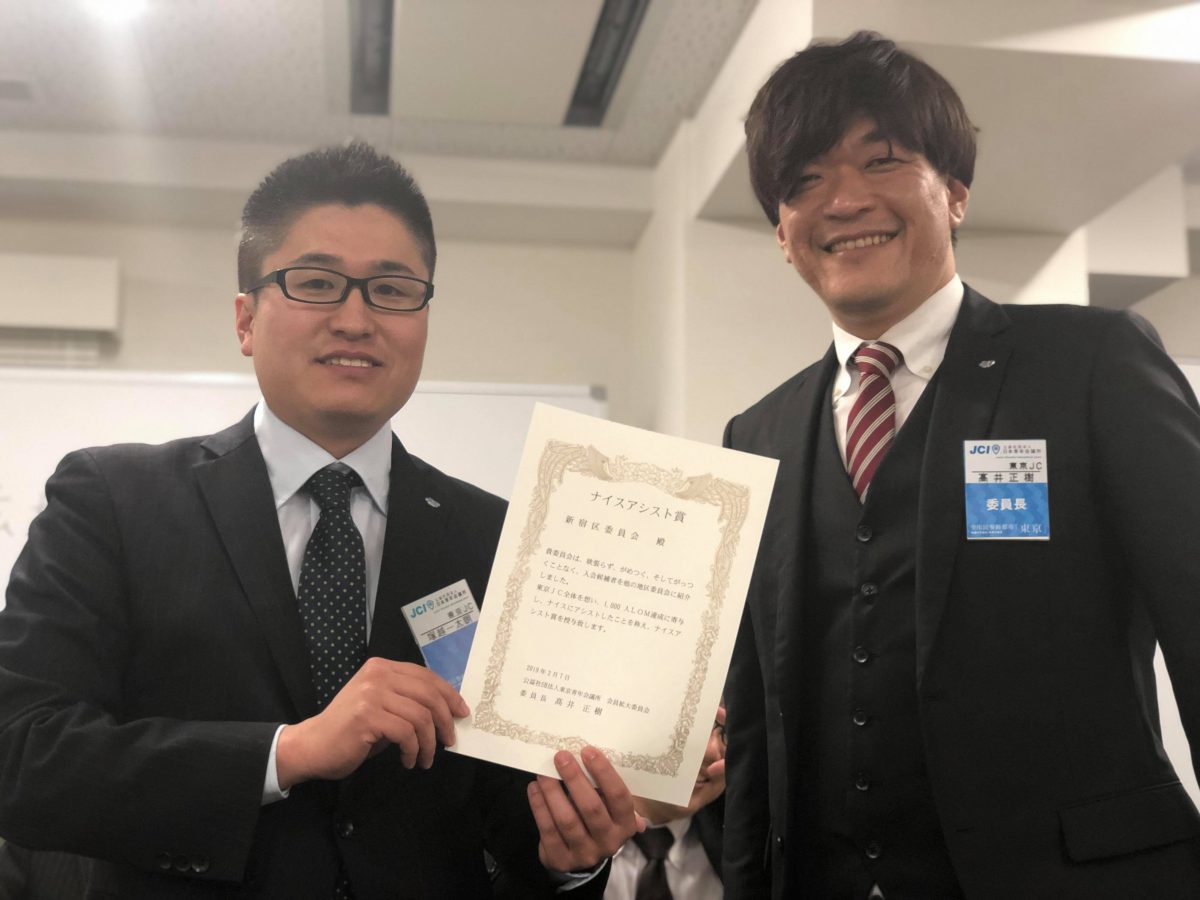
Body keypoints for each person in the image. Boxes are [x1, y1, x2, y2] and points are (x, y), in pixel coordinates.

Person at [0, 141, 638, 898]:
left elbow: (509, 818)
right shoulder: (113, 501)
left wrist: (573, 856)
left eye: (392, 290)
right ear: (245, 319)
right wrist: (288, 752)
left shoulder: (495, 538)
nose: (356, 318)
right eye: (316, 283)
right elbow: (21, 752)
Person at [721, 31, 1200, 900]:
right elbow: (759, 720)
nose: (845, 200)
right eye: (804, 181)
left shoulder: (1091, 364)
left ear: (956, 194)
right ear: (783, 236)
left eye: (883, 160)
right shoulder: (756, 435)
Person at [604, 706, 726, 900]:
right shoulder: (562, 829)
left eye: (727, 733)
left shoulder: (747, 850)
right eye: (693, 723)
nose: (712, 752)